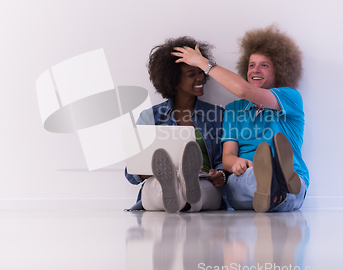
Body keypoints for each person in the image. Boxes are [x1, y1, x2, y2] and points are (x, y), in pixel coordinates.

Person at [172, 25, 309, 213]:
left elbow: (245, 90)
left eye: (264, 65)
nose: (255, 70)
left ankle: (279, 185)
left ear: (280, 70)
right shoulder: (234, 110)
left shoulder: (290, 97)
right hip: (246, 177)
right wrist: (235, 162)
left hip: (293, 179)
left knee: (288, 187)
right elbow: (227, 156)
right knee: (243, 180)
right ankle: (274, 186)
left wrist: (204, 63)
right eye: (251, 65)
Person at [125, 36, 225, 213]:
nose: (200, 77)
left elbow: (222, 163)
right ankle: (177, 189)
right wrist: (159, 169)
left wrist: (220, 175)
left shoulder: (217, 115)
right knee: (161, 187)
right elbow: (131, 174)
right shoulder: (150, 117)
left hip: (204, 182)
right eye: (191, 74)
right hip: (159, 182)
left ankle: (184, 189)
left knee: (197, 189)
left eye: (201, 71)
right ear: (173, 80)